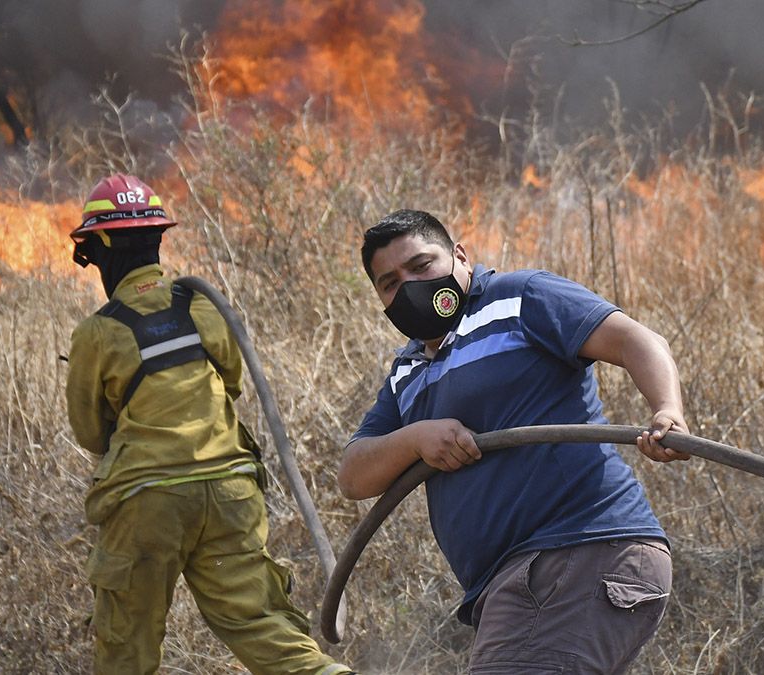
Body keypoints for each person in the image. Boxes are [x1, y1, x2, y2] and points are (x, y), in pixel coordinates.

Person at [339, 209, 691, 674]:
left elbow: (635, 340)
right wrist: (415, 439)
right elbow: (353, 475)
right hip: (515, 580)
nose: (409, 287)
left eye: (422, 267)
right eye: (390, 283)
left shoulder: (518, 297)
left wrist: (668, 410)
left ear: (460, 256)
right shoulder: (406, 372)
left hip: (576, 551)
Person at [65, 173, 354, 675]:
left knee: (125, 650)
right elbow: (232, 383)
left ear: (100, 247)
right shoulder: (199, 303)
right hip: (230, 493)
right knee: (263, 627)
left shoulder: (97, 332)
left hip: (147, 502)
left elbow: (91, 432)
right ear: (157, 239)